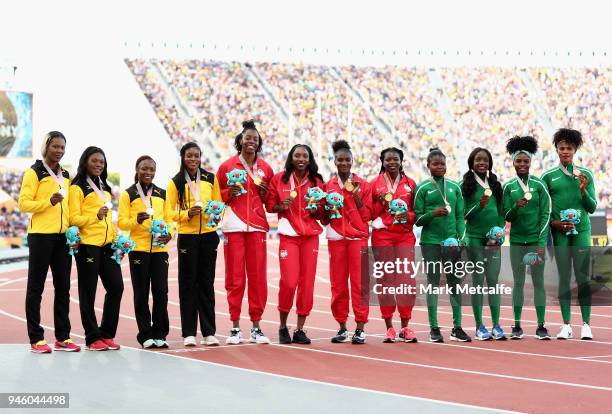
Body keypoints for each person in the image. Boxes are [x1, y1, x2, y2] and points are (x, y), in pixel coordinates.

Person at [18, 131, 80, 353]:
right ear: (46, 146)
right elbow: (24, 204)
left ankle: (63, 337)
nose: (59, 151)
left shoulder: (65, 174)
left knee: (63, 288)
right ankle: (36, 339)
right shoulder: (34, 172)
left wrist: (75, 232)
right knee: (36, 287)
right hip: (41, 236)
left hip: (63, 237)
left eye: (62, 147)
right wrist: (48, 201)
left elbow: (71, 207)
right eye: (55, 146)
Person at [216, 120, 274, 345]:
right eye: (248, 138)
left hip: (258, 226)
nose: (251, 142)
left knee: (258, 278)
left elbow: (269, 201)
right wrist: (227, 192)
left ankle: (257, 327)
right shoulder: (227, 166)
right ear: (240, 141)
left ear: (259, 144)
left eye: (255, 139)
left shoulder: (266, 168)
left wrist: (266, 191)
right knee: (235, 277)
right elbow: (217, 196)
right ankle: (235, 327)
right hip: (234, 225)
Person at [265, 144, 325, 345]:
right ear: (291, 158)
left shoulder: (316, 181)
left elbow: (323, 213)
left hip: (310, 236)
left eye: (305, 155)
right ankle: (283, 326)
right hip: (289, 235)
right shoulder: (279, 179)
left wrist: (316, 209)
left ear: (310, 159)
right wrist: (281, 206)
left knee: (307, 284)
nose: (301, 158)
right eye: (297, 155)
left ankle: (300, 329)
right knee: (289, 282)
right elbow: (270, 205)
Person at [541, 128, 597, 340]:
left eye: (569, 148)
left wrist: (583, 190)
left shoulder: (586, 175)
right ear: (556, 150)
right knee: (563, 277)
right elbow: (543, 209)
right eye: (562, 148)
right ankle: (566, 325)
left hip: (581, 231)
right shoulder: (548, 177)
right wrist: (554, 223)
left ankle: (586, 324)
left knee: (582, 277)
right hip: (560, 233)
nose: (565, 151)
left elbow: (591, 208)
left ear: (575, 150)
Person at [166, 142, 222, 347]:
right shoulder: (176, 182)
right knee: (188, 283)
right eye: (189, 156)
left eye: (196, 156)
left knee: (206, 283)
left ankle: (209, 332)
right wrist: (186, 214)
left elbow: (218, 204)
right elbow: (168, 213)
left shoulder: (210, 178)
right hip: (187, 236)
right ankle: (189, 332)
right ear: (182, 157)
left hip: (208, 235)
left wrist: (215, 216)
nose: (193, 159)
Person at [69, 146, 124, 351]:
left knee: (116, 287)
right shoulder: (77, 188)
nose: (99, 164)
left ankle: (107, 333)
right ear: (85, 162)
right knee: (88, 292)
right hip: (88, 245)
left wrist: (117, 239)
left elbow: (109, 218)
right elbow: (73, 218)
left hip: (108, 246)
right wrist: (96, 217)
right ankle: (92, 337)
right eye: (95, 161)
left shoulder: (105, 187)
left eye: (102, 162)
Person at [414, 147, 470, 342]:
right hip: (431, 242)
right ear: (428, 166)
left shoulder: (455, 187)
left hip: (452, 243)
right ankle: (434, 328)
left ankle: (457, 327)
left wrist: (462, 239)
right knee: (433, 283)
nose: (439, 167)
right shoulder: (422, 188)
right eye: (435, 164)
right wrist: (432, 214)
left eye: (442, 164)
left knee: (455, 283)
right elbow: (418, 219)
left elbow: (460, 216)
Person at [118, 156, 173, 349]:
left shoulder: (163, 193)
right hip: (139, 249)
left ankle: (160, 333)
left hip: (159, 249)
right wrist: (136, 220)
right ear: (137, 169)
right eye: (144, 169)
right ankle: (145, 334)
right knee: (141, 292)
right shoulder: (128, 194)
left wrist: (170, 234)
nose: (148, 172)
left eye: (151, 169)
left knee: (161, 292)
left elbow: (170, 219)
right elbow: (122, 222)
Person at [323, 140, 372, 344]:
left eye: (347, 160)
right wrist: (326, 209)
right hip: (336, 239)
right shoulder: (328, 186)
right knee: (338, 285)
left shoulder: (363, 185)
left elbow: (368, 214)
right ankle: (342, 326)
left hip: (357, 239)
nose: (343, 163)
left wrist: (356, 195)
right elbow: (324, 218)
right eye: (339, 160)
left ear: (352, 161)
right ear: (334, 161)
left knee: (359, 284)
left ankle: (360, 328)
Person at [503, 136, 551, 340]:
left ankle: (541, 326)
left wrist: (541, 243)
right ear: (513, 163)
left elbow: (546, 214)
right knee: (519, 282)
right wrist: (516, 207)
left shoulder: (539, 185)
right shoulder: (508, 187)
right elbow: (506, 216)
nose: (522, 164)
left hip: (534, 241)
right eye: (518, 161)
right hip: (516, 242)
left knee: (539, 282)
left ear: (531, 162)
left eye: (525, 161)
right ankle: (517, 325)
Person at [369, 147, 418, 343]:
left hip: (404, 236)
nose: (392, 162)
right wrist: (380, 203)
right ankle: (389, 327)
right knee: (386, 281)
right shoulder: (374, 185)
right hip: (383, 237)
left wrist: (410, 216)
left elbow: (418, 212)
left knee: (406, 280)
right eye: (388, 159)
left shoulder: (410, 184)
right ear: (382, 162)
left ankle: (405, 326)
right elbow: (368, 214)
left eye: (395, 159)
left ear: (401, 161)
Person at [461, 148, 505, 340]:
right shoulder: (466, 186)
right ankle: (480, 326)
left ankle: (496, 325)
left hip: (492, 241)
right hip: (474, 239)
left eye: (485, 160)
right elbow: (464, 215)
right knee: (478, 283)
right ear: (471, 163)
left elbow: (502, 213)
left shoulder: (495, 184)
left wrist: (498, 234)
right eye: (478, 160)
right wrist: (480, 205)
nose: (482, 163)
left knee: (493, 282)